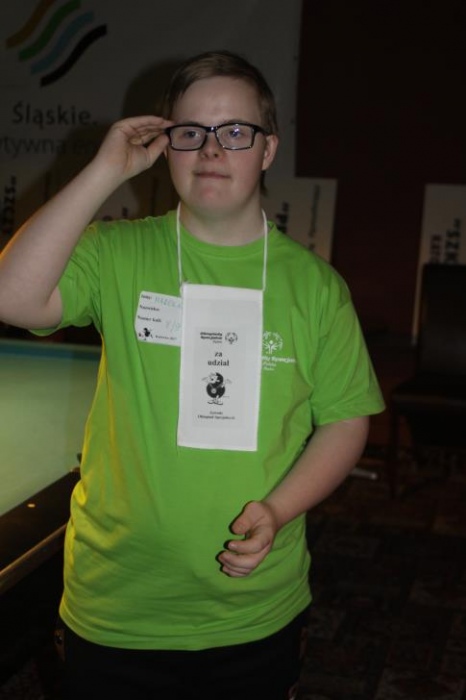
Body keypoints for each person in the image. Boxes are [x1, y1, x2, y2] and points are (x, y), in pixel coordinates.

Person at [0, 50, 385, 699]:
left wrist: (278, 509)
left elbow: (346, 419)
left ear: (268, 149)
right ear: (165, 144)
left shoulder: (316, 288)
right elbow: (11, 297)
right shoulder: (118, 253)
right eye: (191, 131)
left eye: (235, 130)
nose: (211, 149)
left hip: (252, 607)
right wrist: (104, 171)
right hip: (116, 603)